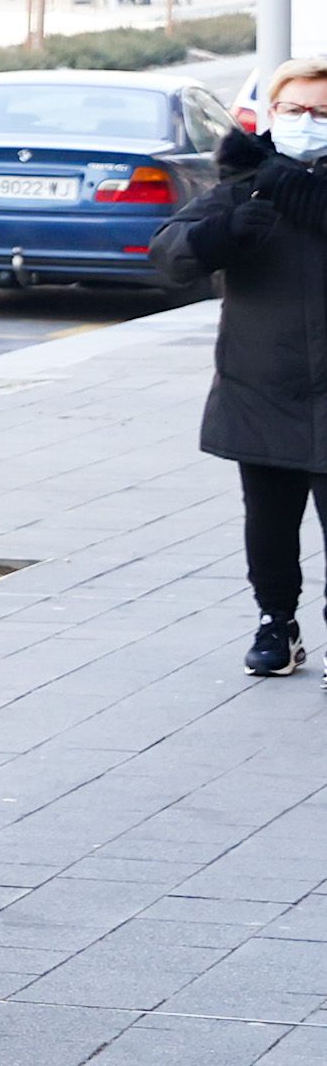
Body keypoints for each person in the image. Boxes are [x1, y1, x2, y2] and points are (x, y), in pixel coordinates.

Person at [156, 60, 327, 679]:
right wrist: (221, 235)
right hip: (263, 387)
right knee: (270, 525)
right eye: (296, 110)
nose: (308, 124)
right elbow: (170, 256)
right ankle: (276, 624)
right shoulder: (245, 186)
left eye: (323, 113)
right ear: (272, 115)